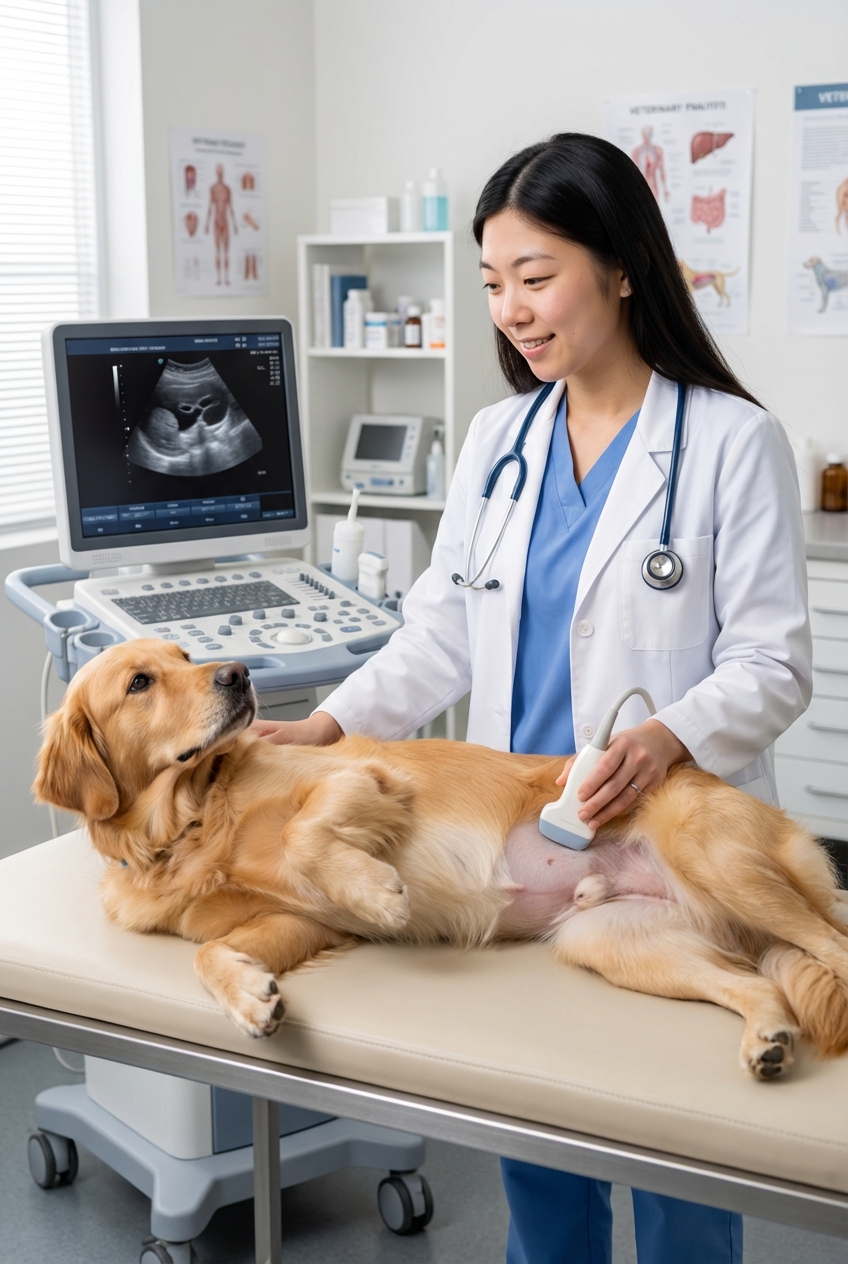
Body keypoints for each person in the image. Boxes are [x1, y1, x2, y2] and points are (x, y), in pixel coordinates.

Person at [255, 133, 811, 1264]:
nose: (510, 308)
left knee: (674, 1149)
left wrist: (664, 739)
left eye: (536, 275)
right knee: (538, 1135)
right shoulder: (495, 441)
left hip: (661, 840)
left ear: (618, 268)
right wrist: (328, 723)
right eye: (492, 283)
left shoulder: (728, 440)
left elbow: (771, 663)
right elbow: (439, 632)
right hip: (518, 844)